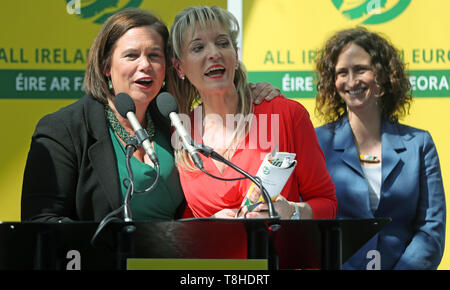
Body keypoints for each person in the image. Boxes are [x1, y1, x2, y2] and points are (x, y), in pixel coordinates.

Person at [21, 8, 283, 222]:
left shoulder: (173, 122)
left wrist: (249, 91)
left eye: (154, 56)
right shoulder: (64, 128)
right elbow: (40, 221)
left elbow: (211, 88)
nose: (145, 65)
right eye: (131, 55)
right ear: (106, 67)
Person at [168, 5, 337, 220]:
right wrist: (209, 225)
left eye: (222, 43)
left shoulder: (287, 114)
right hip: (212, 254)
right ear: (179, 67)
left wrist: (292, 212)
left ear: (235, 55)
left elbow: (327, 203)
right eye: (198, 47)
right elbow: (186, 213)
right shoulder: (180, 130)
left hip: (278, 252)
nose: (214, 53)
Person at [314, 27, 446, 269]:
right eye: (342, 73)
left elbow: (430, 230)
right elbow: (305, 226)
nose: (351, 81)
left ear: (383, 74)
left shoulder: (420, 144)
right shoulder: (317, 142)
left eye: (361, 70)